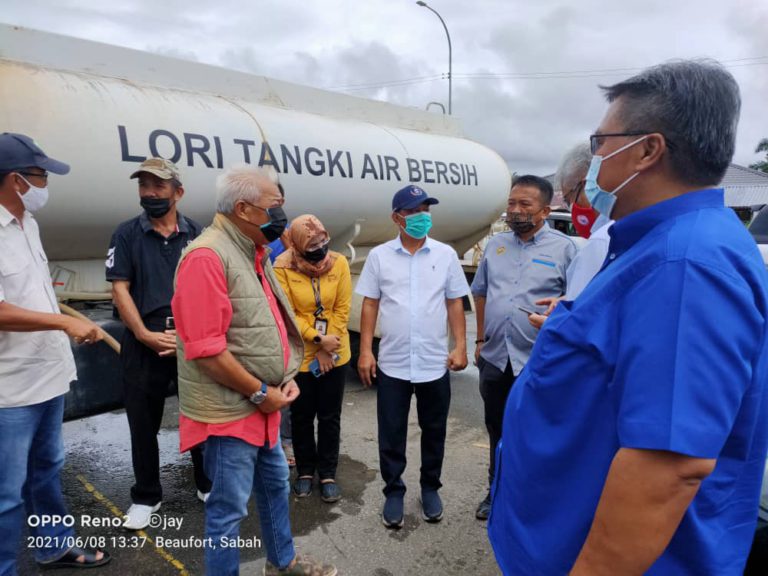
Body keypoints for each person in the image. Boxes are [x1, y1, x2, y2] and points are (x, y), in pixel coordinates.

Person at [488, 60, 768, 576]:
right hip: (561, 534)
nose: (593, 157)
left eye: (600, 142)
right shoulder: (656, 247)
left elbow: (667, 467)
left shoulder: (686, 265)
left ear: (646, 150)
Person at [171, 165, 336, 576]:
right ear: (244, 209)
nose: (282, 214)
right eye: (275, 206)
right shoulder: (207, 258)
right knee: (228, 512)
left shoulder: (252, 251)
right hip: (231, 412)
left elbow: (262, 328)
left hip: (263, 403)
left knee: (275, 486)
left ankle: (282, 563)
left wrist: (285, 378)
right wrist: (262, 393)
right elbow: (206, 350)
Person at [0, 133, 110, 573]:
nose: (46, 184)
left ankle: (53, 546)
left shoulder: (28, 222)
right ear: (16, 180)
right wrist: (65, 322)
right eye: (41, 175)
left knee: (46, 470)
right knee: (7, 492)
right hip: (10, 389)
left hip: (47, 375)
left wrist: (65, 322)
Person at [106, 157, 211, 530]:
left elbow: (208, 289)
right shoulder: (126, 233)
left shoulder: (197, 233)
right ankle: (146, 496)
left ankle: (207, 483)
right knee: (142, 422)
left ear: (177, 192)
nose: (149, 193)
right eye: (144, 186)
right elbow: (120, 288)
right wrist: (145, 335)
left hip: (189, 340)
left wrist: (189, 336)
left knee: (200, 415)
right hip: (144, 339)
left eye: (158, 186)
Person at [356, 184, 469, 529]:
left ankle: (430, 487)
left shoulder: (445, 255)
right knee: (391, 430)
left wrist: (461, 345)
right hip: (393, 361)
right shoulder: (379, 256)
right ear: (397, 217)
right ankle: (394, 491)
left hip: (434, 362)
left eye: (425, 210)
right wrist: (364, 352)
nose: (422, 217)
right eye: (414, 211)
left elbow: (454, 302)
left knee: (434, 429)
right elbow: (371, 303)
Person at [470, 175, 577, 520]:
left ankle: (533, 501)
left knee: (537, 435)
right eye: (511, 203)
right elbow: (482, 291)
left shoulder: (565, 249)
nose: (515, 211)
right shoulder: (496, 245)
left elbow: (577, 304)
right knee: (497, 431)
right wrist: (480, 338)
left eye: (524, 205)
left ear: (545, 210)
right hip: (496, 359)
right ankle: (496, 492)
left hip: (538, 362)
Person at [274, 215, 352, 503]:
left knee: (330, 417)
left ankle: (328, 472)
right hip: (301, 354)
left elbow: (342, 309)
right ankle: (305, 471)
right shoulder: (282, 266)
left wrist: (328, 346)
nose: (320, 249)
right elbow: (288, 312)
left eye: (323, 240)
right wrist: (317, 340)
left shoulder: (339, 263)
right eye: (312, 244)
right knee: (302, 416)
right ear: (296, 245)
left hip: (335, 352)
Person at [528, 143, 613, 330]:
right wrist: (567, 299)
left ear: (589, 183)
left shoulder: (601, 241)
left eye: (569, 198)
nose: (572, 208)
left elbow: (580, 324)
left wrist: (554, 324)